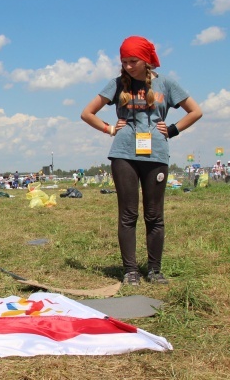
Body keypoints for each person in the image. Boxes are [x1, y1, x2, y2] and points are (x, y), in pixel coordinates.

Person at [81, 35, 202, 286]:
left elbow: (196, 111)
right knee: (128, 214)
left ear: (146, 60)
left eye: (133, 61)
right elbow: (87, 113)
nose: (128, 66)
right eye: (124, 61)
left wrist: (173, 129)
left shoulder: (166, 84)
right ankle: (130, 271)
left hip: (156, 154)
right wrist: (109, 129)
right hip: (123, 153)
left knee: (154, 215)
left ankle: (155, 270)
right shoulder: (117, 84)